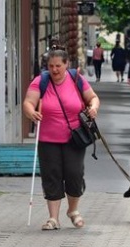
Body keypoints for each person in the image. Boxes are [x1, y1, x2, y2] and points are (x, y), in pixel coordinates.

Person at [23, 47, 100, 230]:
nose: (55, 70)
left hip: (74, 138)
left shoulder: (76, 79)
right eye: (51, 66)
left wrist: (94, 108)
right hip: (47, 139)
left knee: (74, 174)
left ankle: (73, 211)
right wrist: (31, 113)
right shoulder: (41, 81)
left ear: (67, 64)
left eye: (58, 65)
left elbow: (93, 98)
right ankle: (53, 218)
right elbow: (28, 102)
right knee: (52, 176)